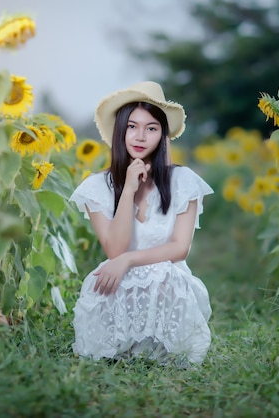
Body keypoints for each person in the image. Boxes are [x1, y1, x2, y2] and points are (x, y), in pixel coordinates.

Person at [69, 81, 214, 366]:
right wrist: (130, 190)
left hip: (168, 287)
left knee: (163, 272)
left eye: (151, 128)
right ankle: (121, 344)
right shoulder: (97, 186)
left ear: (162, 136)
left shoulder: (182, 181)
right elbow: (114, 249)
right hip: (119, 285)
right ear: (120, 131)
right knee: (109, 276)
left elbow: (179, 248)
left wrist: (129, 260)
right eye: (132, 126)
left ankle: (160, 343)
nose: (140, 136)